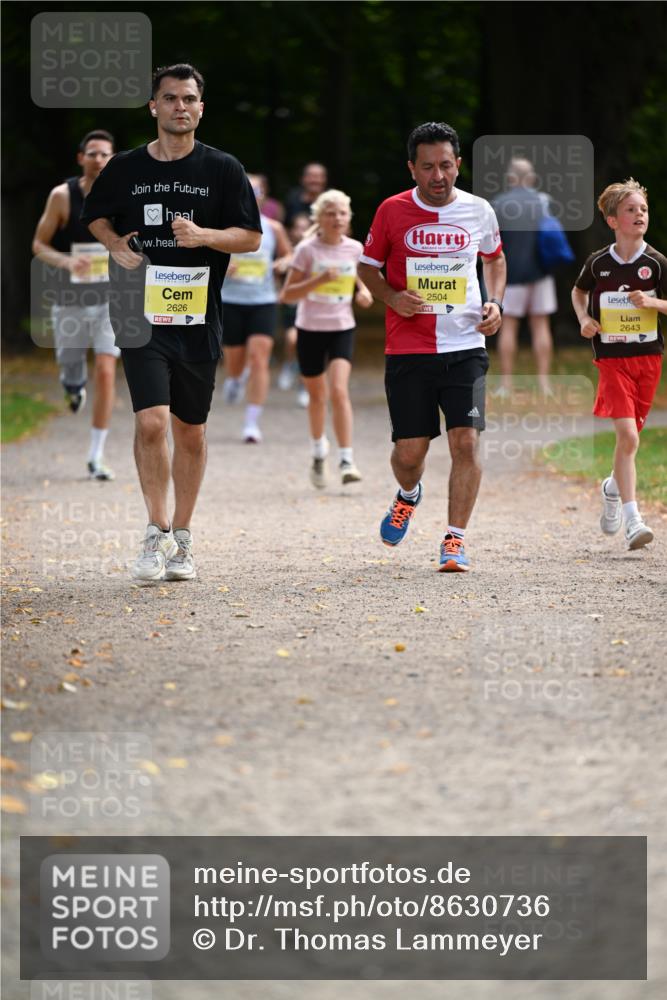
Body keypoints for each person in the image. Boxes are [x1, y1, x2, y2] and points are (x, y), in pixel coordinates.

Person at [81, 63, 261, 581]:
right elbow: (96, 214)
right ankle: (155, 532)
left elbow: (249, 238)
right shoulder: (125, 168)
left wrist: (204, 236)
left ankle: (182, 537)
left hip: (198, 315)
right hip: (138, 312)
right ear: (153, 107)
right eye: (169, 98)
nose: (179, 106)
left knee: (190, 432)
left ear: (201, 108)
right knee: (150, 421)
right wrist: (115, 245)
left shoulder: (223, 169)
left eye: (188, 99)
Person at [358, 121, 506, 572]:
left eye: (446, 165)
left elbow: (495, 259)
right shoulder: (391, 211)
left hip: (465, 346)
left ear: (459, 164)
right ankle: (408, 495)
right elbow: (367, 270)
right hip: (409, 348)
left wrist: (495, 302)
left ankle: (455, 540)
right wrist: (392, 297)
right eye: (428, 168)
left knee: (466, 443)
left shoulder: (479, 210)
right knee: (409, 454)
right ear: (412, 168)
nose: (438, 176)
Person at [571, 178, 666, 550]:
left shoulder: (656, 263)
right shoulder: (598, 262)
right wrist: (583, 319)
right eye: (631, 209)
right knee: (627, 438)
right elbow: (578, 292)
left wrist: (654, 304)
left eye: (643, 208)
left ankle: (612, 488)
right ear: (613, 220)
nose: (639, 214)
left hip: (648, 360)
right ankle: (633, 519)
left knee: (631, 443)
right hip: (611, 359)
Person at [31, 130, 119, 480]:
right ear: (81, 158)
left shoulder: (122, 195)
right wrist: (67, 262)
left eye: (105, 154)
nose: (99, 159)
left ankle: (96, 455)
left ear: (113, 159)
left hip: (111, 299)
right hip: (69, 297)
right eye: (93, 154)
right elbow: (39, 244)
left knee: (107, 368)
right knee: (70, 361)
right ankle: (72, 385)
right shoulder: (62, 196)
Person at [280, 189, 372, 487]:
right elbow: (287, 295)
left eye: (342, 213)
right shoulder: (307, 250)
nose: (337, 218)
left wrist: (364, 291)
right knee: (318, 396)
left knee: (339, 391)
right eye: (330, 213)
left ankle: (347, 459)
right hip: (310, 329)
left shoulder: (355, 249)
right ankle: (319, 451)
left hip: (342, 327)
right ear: (319, 218)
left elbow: (357, 277)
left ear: (349, 218)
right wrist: (319, 280)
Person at [220, 173, 292, 442]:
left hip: (264, 301)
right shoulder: (224, 225)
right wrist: (223, 266)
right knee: (235, 362)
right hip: (231, 301)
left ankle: (251, 423)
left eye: (256, 191)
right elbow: (206, 255)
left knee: (259, 358)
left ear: (263, 196)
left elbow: (289, 254)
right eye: (246, 191)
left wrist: (283, 264)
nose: (251, 197)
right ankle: (235, 380)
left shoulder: (273, 228)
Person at [492, 158, 557, 395]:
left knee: (508, 327)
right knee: (541, 326)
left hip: (510, 275)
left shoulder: (498, 204)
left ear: (510, 178)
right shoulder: (543, 202)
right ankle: (544, 384)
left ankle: (506, 384)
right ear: (530, 178)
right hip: (540, 273)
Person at [276, 211, 310, 407]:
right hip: (292, 306)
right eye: (298, 227)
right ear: (292, 231)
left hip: (313, 306)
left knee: (309, 348)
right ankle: (290, 365)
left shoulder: (317, 249)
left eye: (305, 227)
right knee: (292, 339)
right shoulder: (287, 252)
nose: (301, 231)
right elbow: (275, 272)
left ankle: (303, 386)